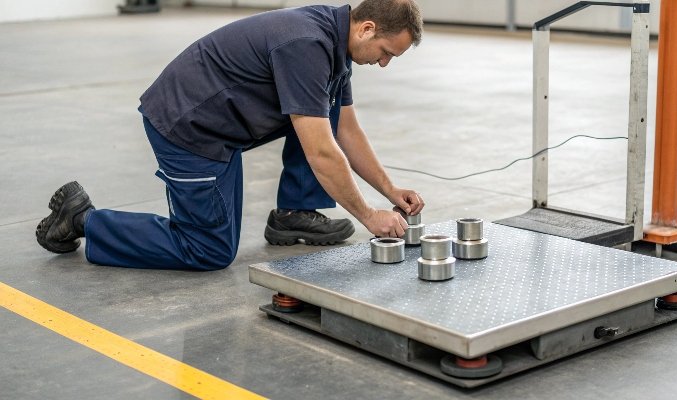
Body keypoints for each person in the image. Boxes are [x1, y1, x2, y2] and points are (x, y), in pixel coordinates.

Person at [35, 0, 425, 270]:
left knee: (322, 114)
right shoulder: (307, 45)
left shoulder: (336, 43)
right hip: (188, 128)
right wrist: (368, 215)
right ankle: (85, 219)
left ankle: (293, 214)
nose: (385, 63)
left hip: (225, 124)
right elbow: (323, 153)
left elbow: (345, 129)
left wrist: (389, 192)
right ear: (368, 28)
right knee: (208, 250)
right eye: (386, 51)